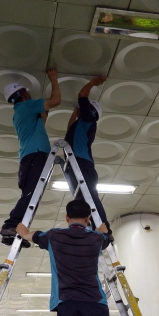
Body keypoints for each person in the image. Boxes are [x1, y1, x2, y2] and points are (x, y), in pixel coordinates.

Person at [0, 68, 62, 248]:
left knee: (32, 196)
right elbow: (55, 101)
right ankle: (10, 226)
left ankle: (16, 231)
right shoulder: (25, 106)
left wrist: (43, 108)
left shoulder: (21, 113)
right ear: (21, 94)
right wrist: (53, 79)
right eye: (27, 91)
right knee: (30, 195)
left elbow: (43, 120)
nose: (30, 93)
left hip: (31, 156)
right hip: (34, 155)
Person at [64, 75, 113, 239]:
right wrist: (73, 113)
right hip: (78, 163)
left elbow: (81, 96)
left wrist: (92, 83)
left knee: (90, 197)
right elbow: (69, 129)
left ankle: (105, 229)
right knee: (84, 201)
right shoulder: (81, 125)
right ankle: (94, 228)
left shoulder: (89, 118)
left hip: (82, 163)